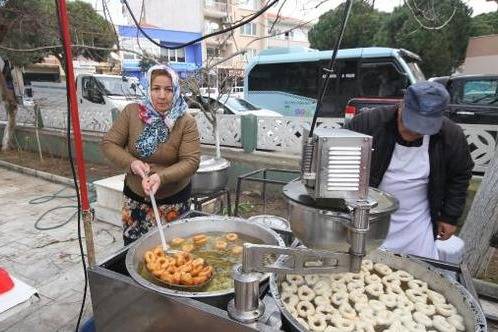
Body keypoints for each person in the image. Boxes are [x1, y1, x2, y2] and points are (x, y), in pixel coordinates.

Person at [344, 81, 474, 259]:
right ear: (402, 104)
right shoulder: (369, 123)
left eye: (423, 130)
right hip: (368, 216)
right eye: (410, 124)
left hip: (417, 222)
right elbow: (341, 159)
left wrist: (450, 217)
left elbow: (460, 175)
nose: (413, 133)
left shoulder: (450, 135)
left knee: (419, 267)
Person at [102, 64, 200, 245]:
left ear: (176, 90)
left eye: (168, 89)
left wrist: (161, 177)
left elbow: (191, 161)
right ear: (148, 88)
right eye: (156, 88)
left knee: (173, 253)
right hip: (136, 198)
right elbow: (110, 143)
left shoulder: (185, 121)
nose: (162, 95)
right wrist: (132, 163)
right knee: (133, 249)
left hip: (173, 201)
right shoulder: (132, 113)